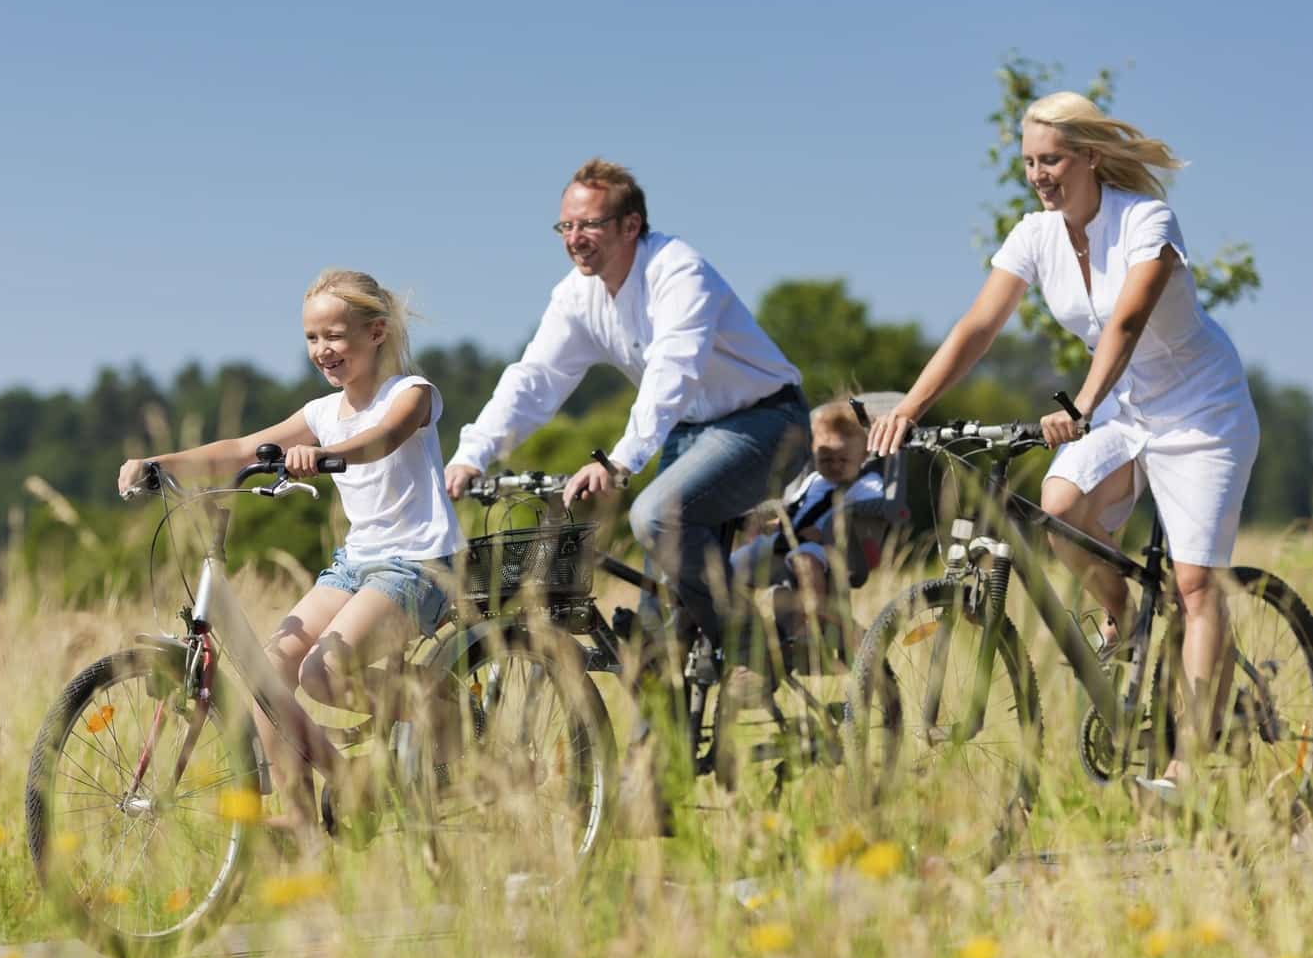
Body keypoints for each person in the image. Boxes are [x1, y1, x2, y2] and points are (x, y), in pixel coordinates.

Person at [868, 92, 1259, 796]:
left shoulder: (1146, 220)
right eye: (1027, 161)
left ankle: (1183, 771)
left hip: (1201, 413)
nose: (1037, 173)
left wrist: (1079, 404)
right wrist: (910, 406)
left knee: (1196, 584)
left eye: (1049, 159)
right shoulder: (1034, 234)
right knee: (1058, 502)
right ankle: (1126, 619)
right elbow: (976, 327)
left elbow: (1129, 317)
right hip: (1126, 410)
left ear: (1089, 157)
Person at [118, 269, 463, 837]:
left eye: (334, 336)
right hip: (358, 561)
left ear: (376, 332)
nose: (322, 351)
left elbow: (383, 440)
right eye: (311, 339)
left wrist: (330, 454)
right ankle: (307, 819)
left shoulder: (412, 394)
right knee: (269, 670)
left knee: (324, 674)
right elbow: (239, 447)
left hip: (419, 563)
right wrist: (159, 463)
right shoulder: (321, 411)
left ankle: (440, 709)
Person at [444, 158, 810, 655]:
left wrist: (622, 460)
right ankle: (654, 727)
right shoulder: (576, 296)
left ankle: (751, 651)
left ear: (630, 225)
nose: (574, 238)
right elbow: (536, 380)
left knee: (656, 516)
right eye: (566, 226)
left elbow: (673, 369)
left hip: (766, 422)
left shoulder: (677, 271)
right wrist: (473, 454)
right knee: (658, 636)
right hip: (691, 431)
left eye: (589, 224)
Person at [732, 399, 887, 672]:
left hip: (831, 546)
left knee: (806, 560)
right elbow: (794, 506)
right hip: (787, 541)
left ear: (863, 456)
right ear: (814, 453)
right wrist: (776, 520)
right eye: (826, 459)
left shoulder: (866, 484)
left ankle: (809, 627)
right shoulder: (814, 480)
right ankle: (741, 627)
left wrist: (830, 528)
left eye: (843, 459)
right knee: (731, 566)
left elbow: (873, 509)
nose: (835, 466)